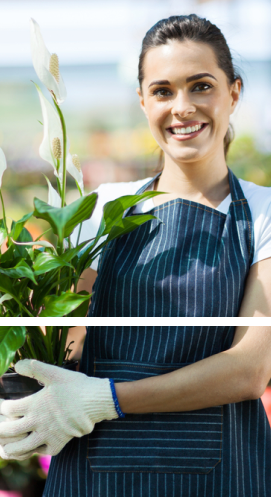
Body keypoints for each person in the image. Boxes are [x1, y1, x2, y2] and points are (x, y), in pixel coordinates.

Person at [0, 14, 271, 497]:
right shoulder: (101, 208)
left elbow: (251, 368)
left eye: (201, 86)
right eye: (163, 91)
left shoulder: (265, 212)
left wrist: (107, 399)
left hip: (223, 475)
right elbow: (62, 342)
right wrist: (17, 398)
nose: (182, 107)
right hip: (95, 472)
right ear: (144, 101)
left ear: (233, 93)